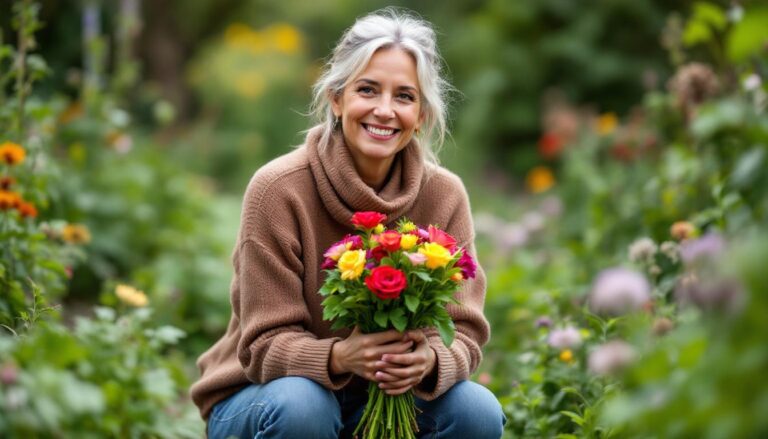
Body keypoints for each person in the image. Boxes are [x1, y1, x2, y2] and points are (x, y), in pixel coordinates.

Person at [191, 8, 506, 438]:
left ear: (423, 115)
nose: (384, 110)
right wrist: (340, 357)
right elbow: (263, 346)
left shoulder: (444, 196)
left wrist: (430, 361)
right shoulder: (279, 189)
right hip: (262, 399)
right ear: (336, 98)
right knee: (305, 407)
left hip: (388, 399)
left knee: (476, 410)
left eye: (404, 96)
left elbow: (465, 331)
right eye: (367, 89)